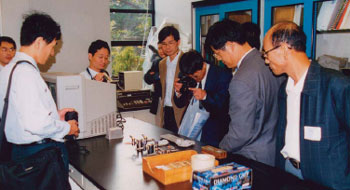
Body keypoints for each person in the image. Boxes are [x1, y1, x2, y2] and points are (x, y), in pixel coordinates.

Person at [263, 21, 350, 189]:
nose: (266, 61)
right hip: (288, 172)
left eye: (266, 54)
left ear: (283, 50)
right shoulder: (284, 88)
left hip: (328, 181)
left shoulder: (336, 85)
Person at [0, 12, 79, 171]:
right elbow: (36, 125)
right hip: (37, 156)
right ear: (39, 42)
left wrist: (55, 115)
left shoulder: (8, 69)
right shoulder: (26, 74)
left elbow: (20, 116)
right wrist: (67, 127)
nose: (52, 53)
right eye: (52, 46)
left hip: (20, 153)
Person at [204, 19, 281, 166]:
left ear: (230, 45)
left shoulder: (240, 80)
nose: (219, 59)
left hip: (251, 157)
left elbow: (240, 134)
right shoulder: (268, 62)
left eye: (218, 53)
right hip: (273, 152)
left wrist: (219, 149)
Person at [173, 50, 232, 147]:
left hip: (212, 135)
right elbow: (180, 104)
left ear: (204, 66)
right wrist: (178, 92)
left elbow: (225, 105)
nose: (194, 79)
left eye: (196, 76)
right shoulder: (187, 72)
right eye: (191, 77)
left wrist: (205, 96)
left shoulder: (222, 75)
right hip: (190, 131)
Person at [158, 26, 186, 133]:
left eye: (171, 43)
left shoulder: (185, 60)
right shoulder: (162, 64)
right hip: (166, 110)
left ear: (178, 42)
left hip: (181, 111)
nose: (167, 47)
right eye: (164, 44)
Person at [144, 43, 166, 115]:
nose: (161, 51)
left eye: (162, 48)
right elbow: (147, 78)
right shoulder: (156, 62)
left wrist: (156, 76)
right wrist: (157, 76)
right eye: (159, 48)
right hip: (158, 100)